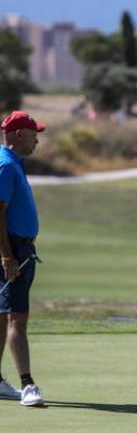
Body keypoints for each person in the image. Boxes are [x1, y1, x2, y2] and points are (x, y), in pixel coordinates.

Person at [0, 111, 46, 406]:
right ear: (18, 135)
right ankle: (27, 385)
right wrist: (7, 256)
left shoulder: (13, 162)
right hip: (13, 250)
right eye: (33, 134)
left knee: (4, 317)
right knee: (18, 318)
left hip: (19, 250)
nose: (37, 140)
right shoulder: (5, 165)